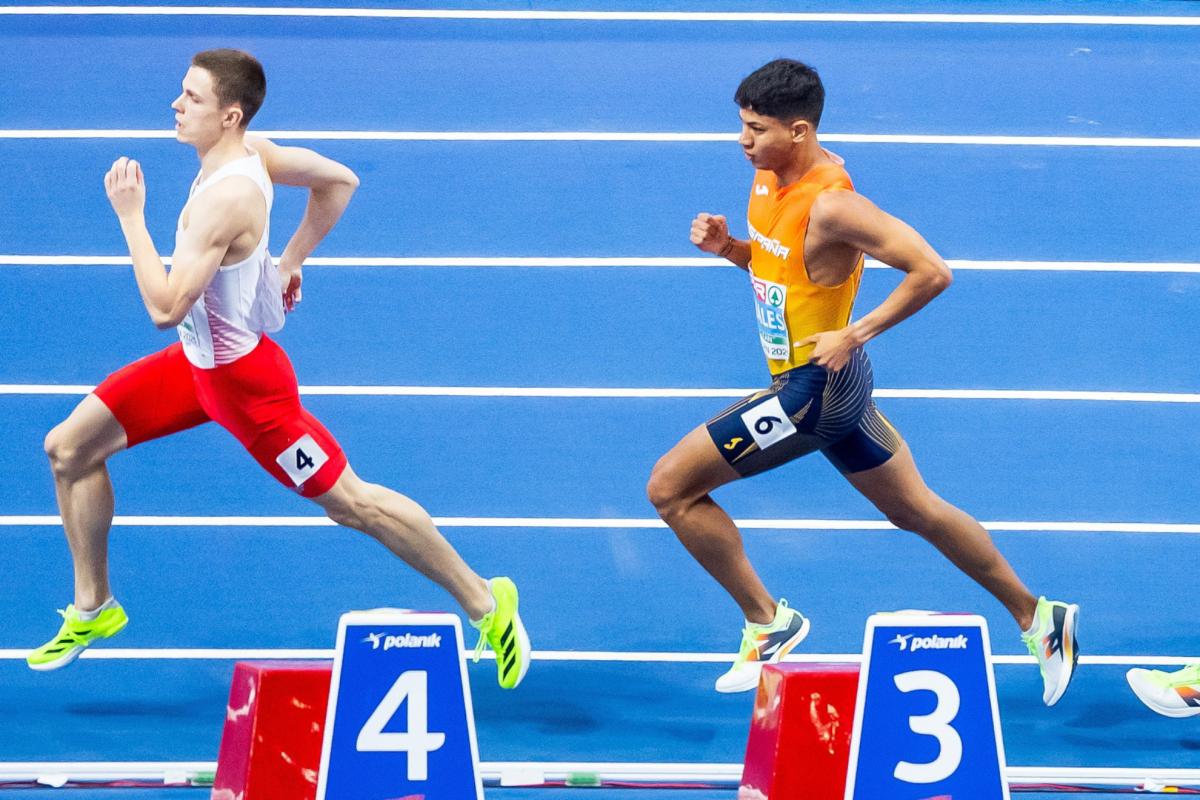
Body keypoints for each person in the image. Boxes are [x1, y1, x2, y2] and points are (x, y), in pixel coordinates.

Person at [27, 49, 530, 689]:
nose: (176, 105)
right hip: (197, 367)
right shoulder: (253, 154)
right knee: (69, 449)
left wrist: (131, 217)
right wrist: (290, 260)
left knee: (354, 505)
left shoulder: (229, 197)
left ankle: (487, 601)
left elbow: (163, 306)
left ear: (230, 115)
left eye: (192, 97)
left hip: (247, 392)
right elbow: (339, 182)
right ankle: (94, 606)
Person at [646, 59, 1077, 704]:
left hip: (813, 392)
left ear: (798, 131)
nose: (743, 141)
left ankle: (768, 621)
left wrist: (856, 332)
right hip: (835, 387)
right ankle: (1039, 618)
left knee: (671, 490)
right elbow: (785, 274)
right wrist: (731, 249)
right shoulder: (768, 180)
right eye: (741, 125)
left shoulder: (835, 206)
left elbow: (932, 272)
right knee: (915, 510)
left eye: (757, 130)